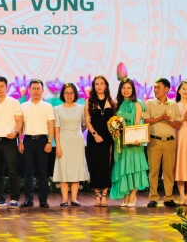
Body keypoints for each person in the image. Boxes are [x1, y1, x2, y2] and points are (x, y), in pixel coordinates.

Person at [110, 78, 149, 207]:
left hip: (133, 141)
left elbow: (137, 123)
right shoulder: (118, 104)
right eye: (123, 88)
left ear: (133, 90)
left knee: (134, 168)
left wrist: (137, 138)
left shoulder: (137, 103)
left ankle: (133, 196)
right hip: (121, 142)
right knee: (124, 169)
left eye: (128, 88)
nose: (126, 90)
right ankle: (126, 196)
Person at [0, 76, 23, 209]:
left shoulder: (14, 102)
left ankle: (15, 199)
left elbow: (19, 121)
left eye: (2, 86)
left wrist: (16, 133)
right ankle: (0, 199)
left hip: (9, 141)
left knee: (12, 171)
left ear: (6, 87)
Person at [145, 78, 181, 208]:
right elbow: (146, 121)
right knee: (153, 171)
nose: (155, 90)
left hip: (170, 142)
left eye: (158, 87)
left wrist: (169, 120)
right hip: (154, 140)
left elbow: (178, 124)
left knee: (168, 171)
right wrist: (161, 118)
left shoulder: (173, 105)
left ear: (166, 89)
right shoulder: (149, 103)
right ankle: (153, 197)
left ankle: (169, 198)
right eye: (154, 87)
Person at [52, 82, 89, 207]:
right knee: (63, 169)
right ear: (63, 94)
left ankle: (74, 199)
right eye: (66, 93)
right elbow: (56, 129)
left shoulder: (81, 108)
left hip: (77, 142)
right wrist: (58, 146)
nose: (69, 95)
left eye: (71, 93)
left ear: (75, 94)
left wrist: (76, 132)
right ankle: (64, 199)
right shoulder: (57, 109)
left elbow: (84, 125)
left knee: (75, 169)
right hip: (63, 140)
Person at [19, 79, 54, 208]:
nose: (36, 91)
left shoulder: (48, 106)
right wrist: (20, 141)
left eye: (38, 88)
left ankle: (43, 200)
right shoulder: (23, 106)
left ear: (42, 90)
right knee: (28, 172)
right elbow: (20, 126)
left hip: (42, 141)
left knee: (43, 172)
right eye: (33, 88)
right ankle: (28, 199)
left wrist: (49, 141)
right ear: (29, 90)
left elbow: (51, 125)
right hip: (28, 140)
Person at [85, 75, 115, 207]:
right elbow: (87, 121)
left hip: (108, 137)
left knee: (107, 165)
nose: (99, 86)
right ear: (94, 86)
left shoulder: (111, 101)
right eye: (96, 84)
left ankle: (104, 195)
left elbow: (114, 120)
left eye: (102, 83)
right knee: (94, 165)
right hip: (94, 137)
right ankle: (97, 194)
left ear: (106, 85)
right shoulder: (89, 101)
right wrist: (95, 134)